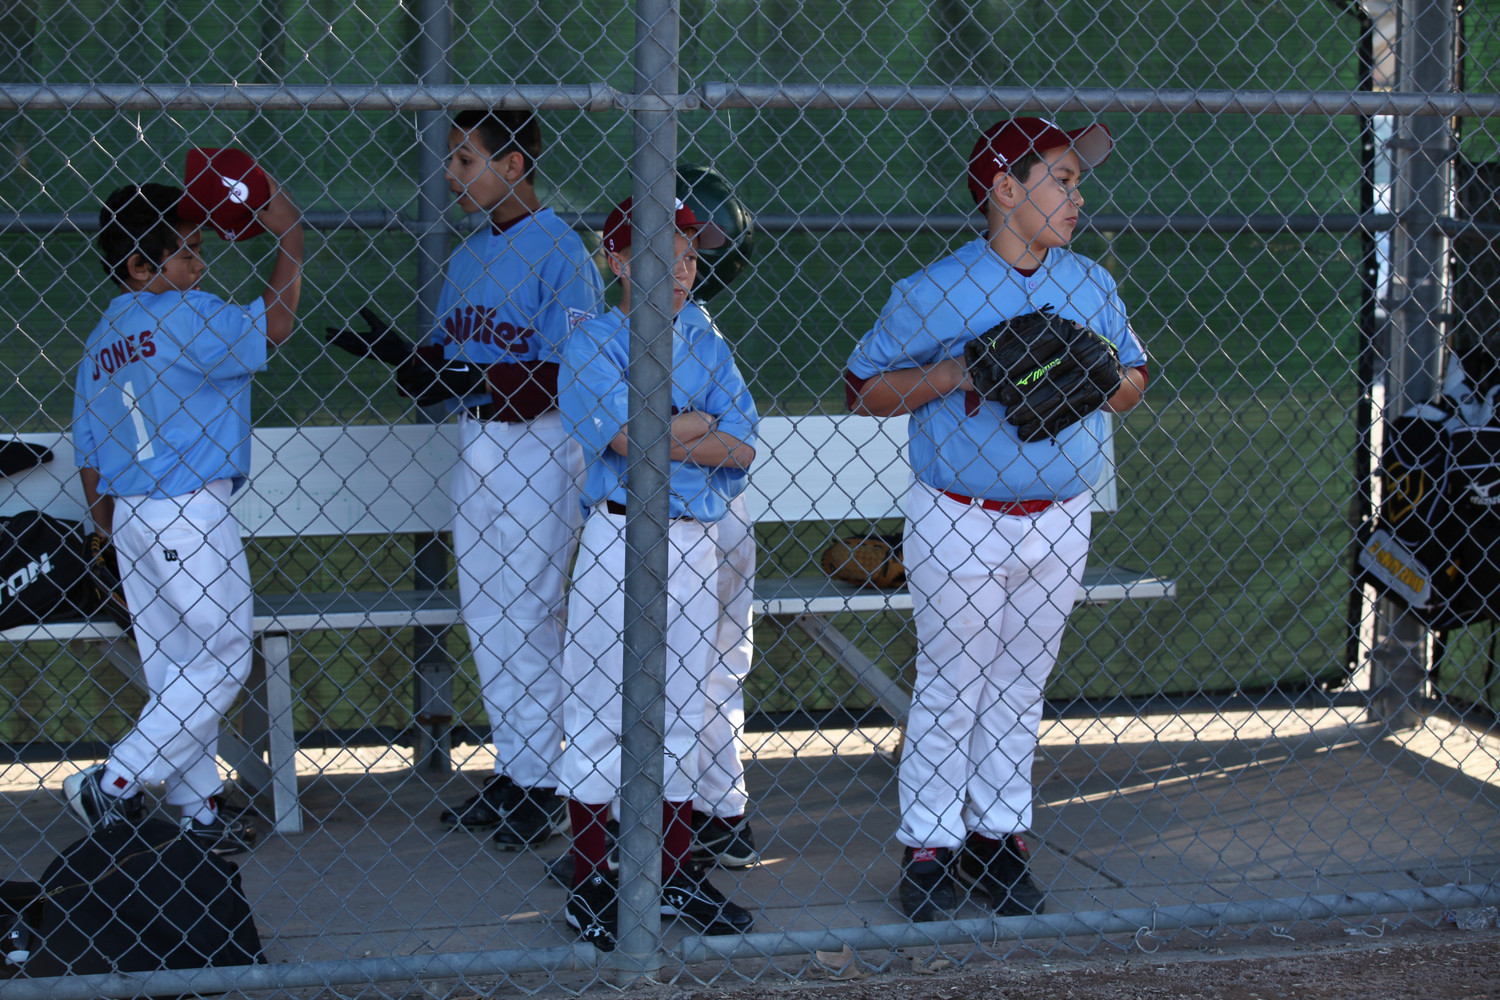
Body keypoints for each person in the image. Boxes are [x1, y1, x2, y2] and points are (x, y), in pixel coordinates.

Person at [843, 117, 1149, 921]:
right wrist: (956, 373)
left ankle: (998, 838)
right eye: (1061, 179)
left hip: (1062, 515)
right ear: (1005, 189)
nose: (1077, 197)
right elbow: (863, 391)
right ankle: (929, 847)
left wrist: (1096, 377)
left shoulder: (1090, 282)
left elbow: (1133, 381)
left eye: (1077, 181)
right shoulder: (935, 288)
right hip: (961, 515)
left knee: (1019, 687)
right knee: (953, 686)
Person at [329, 109, 606, 850]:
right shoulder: (467, 255)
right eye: (452, 160)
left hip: (541, 446)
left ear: (513, 165)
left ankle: (551, 784)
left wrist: (472, 378)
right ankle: (519, 769)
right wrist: (407, 360)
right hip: (477, 443)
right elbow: (449, 361)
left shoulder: (563, 249)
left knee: (531, 613)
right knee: (488, 613)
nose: (452, 175)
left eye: (465, 159)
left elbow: (571, 371)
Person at [65, 172, 304, 856]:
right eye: (186, 251)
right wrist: (290, 238)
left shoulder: (103, 336)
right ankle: (116, 779)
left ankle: (197, 811)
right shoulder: (187, 314)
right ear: (141, 266)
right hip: (188, 511)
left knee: (176, 668)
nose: (199, 265)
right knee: (224, 655)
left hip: (131, 518)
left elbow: (89, 451)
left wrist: (107, 533)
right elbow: (275, 323)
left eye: (200, 249)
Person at [555, 195, 759, 949]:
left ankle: (671, 873)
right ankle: (590, 879)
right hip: (617, 538)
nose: (680, 271)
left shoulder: (705, 335)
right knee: (599, 711)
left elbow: (743, 443)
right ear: (616, 261)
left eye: (690, 257)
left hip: (694, 543)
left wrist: (667, 431)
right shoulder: (592, 340)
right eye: (660, 258)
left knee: (680, 713)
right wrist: (695, 425)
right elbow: (620, 440)